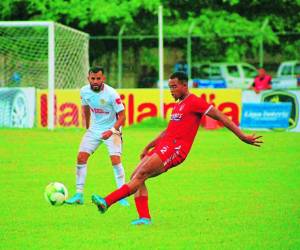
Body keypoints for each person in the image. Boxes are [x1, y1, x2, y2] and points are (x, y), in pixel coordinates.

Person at [91, 71, 263, 224]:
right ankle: (144, 218)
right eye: (169, 87)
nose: (171, 90)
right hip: (165, 146)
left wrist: (242, 136)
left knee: (141, 174)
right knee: (136, 175)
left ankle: (106, 202)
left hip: (175, 150)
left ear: (184, 85)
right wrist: (149, 146)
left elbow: (221, 117)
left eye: (174, 87)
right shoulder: (178, 105)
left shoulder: (194, 102)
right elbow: (169, 130)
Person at [66, 66, 129, 206]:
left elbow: (123, 116)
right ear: (88, 78)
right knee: (81, 157)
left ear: (103, 79)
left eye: (98, 78)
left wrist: (112, 130)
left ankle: (122, 195)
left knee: (115, 159)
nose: (95, 81)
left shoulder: (112, 94)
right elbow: (85, 108)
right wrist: (87, 126)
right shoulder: (84, 91)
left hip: (112, 129)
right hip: (94, 129)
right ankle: (78, 195)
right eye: (92, 78)